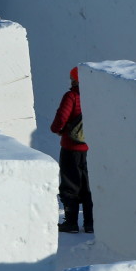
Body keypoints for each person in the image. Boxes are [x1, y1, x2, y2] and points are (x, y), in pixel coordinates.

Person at [51, 67, 93, 234]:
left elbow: (61, 119)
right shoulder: (95, 96)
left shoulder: (72, 96)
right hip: (91, 149)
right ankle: (90, 223)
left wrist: (57, 129)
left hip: (71, 148)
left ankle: (71, 223)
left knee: (70, 184)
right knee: (89, 186)